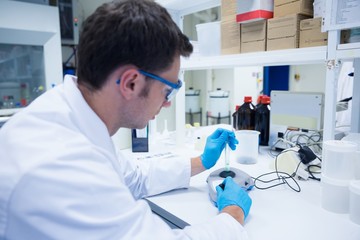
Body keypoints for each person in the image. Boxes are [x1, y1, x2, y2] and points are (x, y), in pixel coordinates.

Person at [0, 0, 252, 239]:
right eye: (168, 90)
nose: (168, 103)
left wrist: (201, 161)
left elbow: (135, 176)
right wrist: (232, 215)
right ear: (131, 83)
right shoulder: (61, 164)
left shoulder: (72, 115)